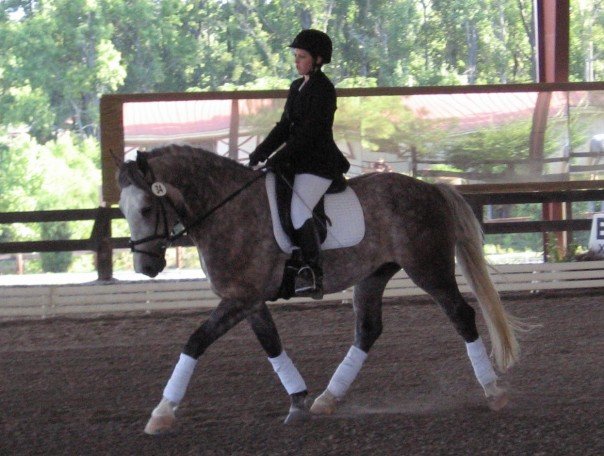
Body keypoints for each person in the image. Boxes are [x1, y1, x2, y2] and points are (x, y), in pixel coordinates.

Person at [248, 29, 350, 299]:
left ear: (318, 59)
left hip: (318, 164)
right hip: (296, 162)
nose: (296, 61)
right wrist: (260, 152)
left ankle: (314, 272)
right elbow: (285, 127)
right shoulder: (297, 87)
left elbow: (309, 133)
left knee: (298, 212)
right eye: (296, 56)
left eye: (302, 56)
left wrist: (278, 158)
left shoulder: (324, 89)